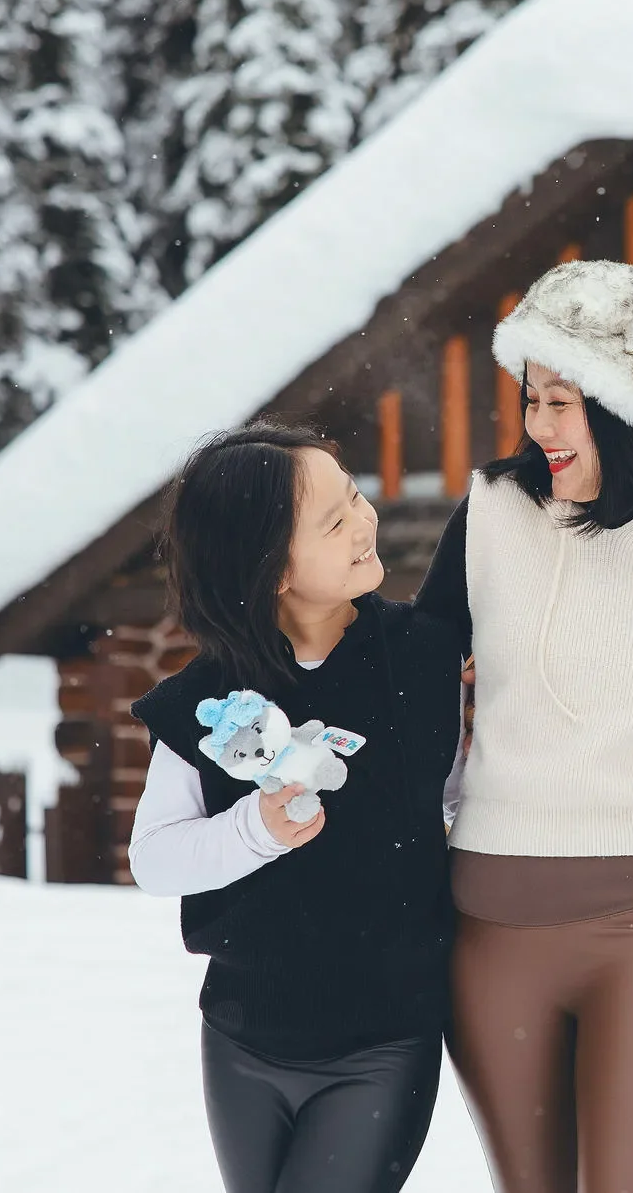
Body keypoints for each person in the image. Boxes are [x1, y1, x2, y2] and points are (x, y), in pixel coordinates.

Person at [414, 258, 633, 1193]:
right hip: (490, 921)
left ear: (629, 401)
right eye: (532, 397)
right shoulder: (490, 514)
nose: (537, 424)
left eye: (563, 399)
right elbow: (406, 688)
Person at [126, 424, 460, 1193]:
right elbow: (155, 857)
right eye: (335, 520)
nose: (365, 520)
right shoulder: (206, 705)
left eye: (354, 497)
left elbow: (459, 794)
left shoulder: (426, 656)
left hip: (383, 1038)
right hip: (242, 1037)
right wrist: (258, 829)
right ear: (271, 567)